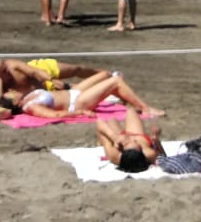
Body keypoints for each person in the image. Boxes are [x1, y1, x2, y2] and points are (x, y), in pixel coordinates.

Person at [18, 70, 161, 120]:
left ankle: (120, 96)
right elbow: (55, 115)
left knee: (104, 75)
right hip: (76, 103)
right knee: (116, 82)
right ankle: (145, 108)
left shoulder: (25, 97)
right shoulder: (31, 107)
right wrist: (81, 112)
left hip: (72, 93)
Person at [95, 106, 164, 173]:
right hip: (137, 134)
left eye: (126, 143)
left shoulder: (114, 155)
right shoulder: (148, 154)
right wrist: (156, 139)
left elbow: (99, 122)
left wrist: (113, 137)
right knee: (131, 111)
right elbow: (163, 157)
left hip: (118, 137)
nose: (133, 140)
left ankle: (102, 140)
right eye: (138, 144)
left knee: (110, 119)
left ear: (122, 151)